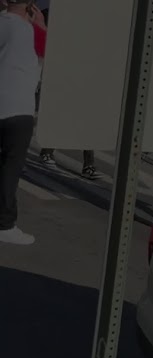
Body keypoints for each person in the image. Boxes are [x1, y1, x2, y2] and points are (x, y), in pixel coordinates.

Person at [0, 0, 44, 245]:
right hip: (19, 109)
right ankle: (5, 224)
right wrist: (42, 26)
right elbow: (47, 51)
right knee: (10, 167)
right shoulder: (30, 30)